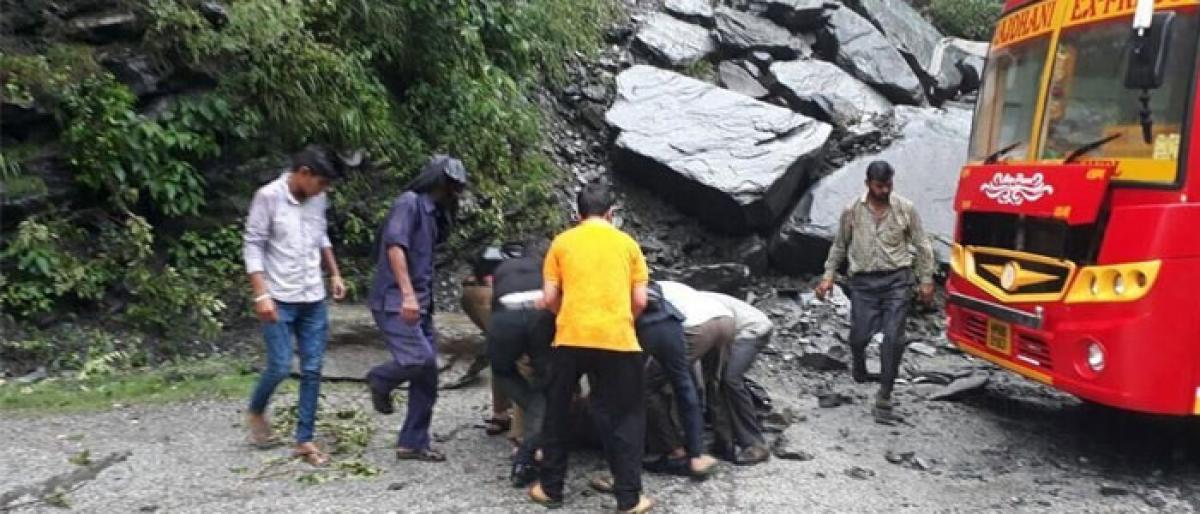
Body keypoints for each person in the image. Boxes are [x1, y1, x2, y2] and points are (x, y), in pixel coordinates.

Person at [529, 183, 653, 513]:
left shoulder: (562, 242)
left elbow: (550, 299)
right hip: (617, 339)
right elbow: (640, 300)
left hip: (570, 337)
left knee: (557, 411)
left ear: (578, 214)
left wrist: (568, 316)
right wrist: (622, 318)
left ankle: (550, 488)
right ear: (611, 214)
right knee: (625, 416)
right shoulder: (629, 245)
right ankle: (629, 499)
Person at [242, 145, 347, 466]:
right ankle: (256, 409)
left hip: (312, 296)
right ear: (303, 173)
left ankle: (304, 440)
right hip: (279, 297)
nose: (324, 190)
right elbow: (254, 244)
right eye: (321, 182)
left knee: (313, 369)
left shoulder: (318, 198)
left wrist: (335, 273)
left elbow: (321, 236)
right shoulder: (268, 197)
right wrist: (261, 294)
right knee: (281, 365)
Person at [815, 160, 935, 424]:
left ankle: (884, 396)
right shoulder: (852, 211)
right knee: (858, 338)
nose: (885, 190)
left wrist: (926, 280)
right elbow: (839, 247)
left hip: (896, 282)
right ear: (868, 184)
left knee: (893, 338)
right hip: (863, 284)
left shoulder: (905, 209)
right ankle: (859, 365)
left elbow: (922, 245)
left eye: (889, 184)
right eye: (880, 185)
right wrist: (828, 277)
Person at [365, 155, 468, 462]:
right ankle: (380, 379)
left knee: (427, 376)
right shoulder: (408, 203)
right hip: (396, 301)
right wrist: (408, 295)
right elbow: (395, 246)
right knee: (419, 360)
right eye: (452, 186)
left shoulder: (435, 213)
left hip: (421, 304)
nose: (455, 192)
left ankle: (412, 442)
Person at [486, 240, 556, 487]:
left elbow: (493, 307)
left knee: (502, 370)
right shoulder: (546, 267)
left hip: (506, 313)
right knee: (543, 382)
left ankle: (532, 406)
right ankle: (529, 450)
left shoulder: (503, 269)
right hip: (541, 310)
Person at [650, 281, 736, 462]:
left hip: (696, 327)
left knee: (648, 385)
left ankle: (674, 448)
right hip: (727, 321)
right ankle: (725, 443)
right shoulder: (669, 285)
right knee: (713, 382)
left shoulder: (643, 290)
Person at [699, 291, 773, 465]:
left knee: (730, 378)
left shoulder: (680, 304)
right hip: (729, 330)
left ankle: (755, 444)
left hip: (752, 328)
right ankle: (724, 439)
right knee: (713, 380)